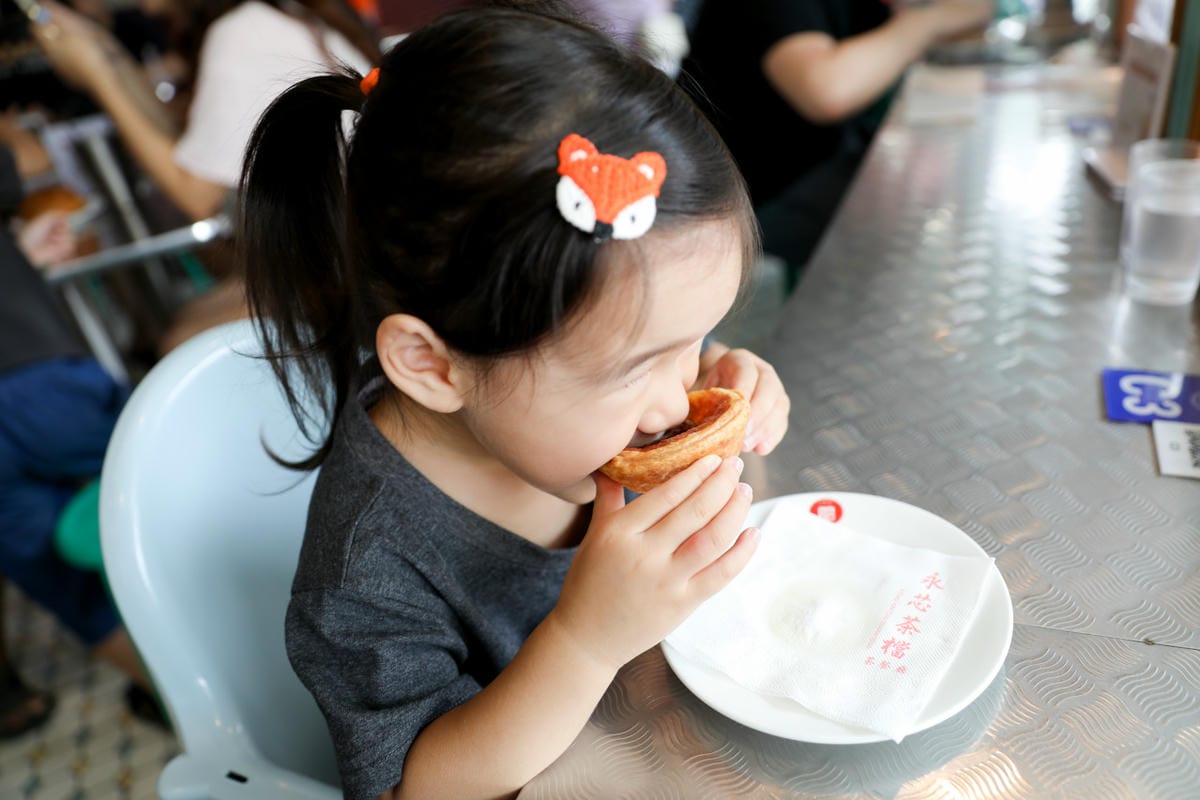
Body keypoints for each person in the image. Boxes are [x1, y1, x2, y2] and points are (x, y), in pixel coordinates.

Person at [238, 4, 790, 798]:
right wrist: (585, 642)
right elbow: (418, 787)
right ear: (433, 367)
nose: (678, 403)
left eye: (694, 340)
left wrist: (732, 375)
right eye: (639, 368)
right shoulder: (367, 566)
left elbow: (676, 380)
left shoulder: (607, 405)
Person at [29, 0, 381, 352]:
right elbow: (189, 149)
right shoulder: (267, 16)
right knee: (189, 321)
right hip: (348, 257)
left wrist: (97, 73)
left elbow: (200, 196)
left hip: (347, 270)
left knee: (183, 344)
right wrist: (105, 53)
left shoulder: (242, 31)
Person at [0, 144, 152, 738]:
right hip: (28, 371)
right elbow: (27, 161)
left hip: (24, 369)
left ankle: (206, 716)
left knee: (65, 582)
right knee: (185, 492)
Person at [682, 0, 992, 270]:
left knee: (956, 194)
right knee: (929, 229)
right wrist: (931, 19)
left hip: (817, 160)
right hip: (749, 191)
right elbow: (826, 90)